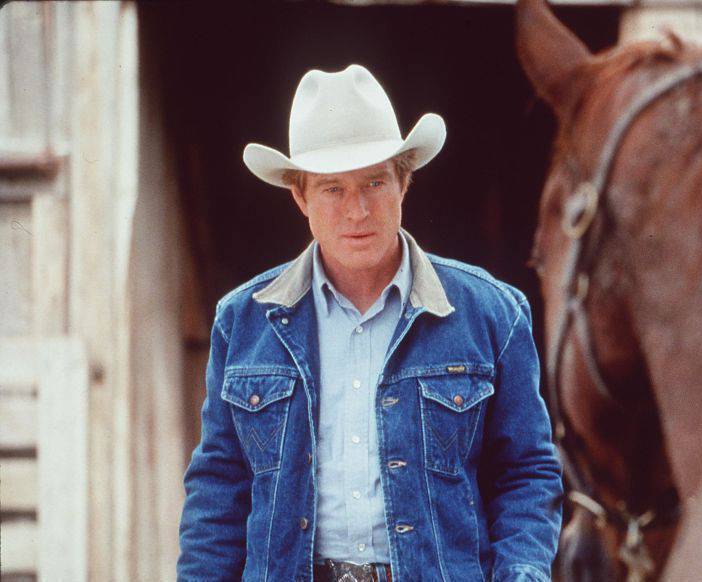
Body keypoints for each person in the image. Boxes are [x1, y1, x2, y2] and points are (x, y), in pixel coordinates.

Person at [177, 65, 563, 582]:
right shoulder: (244, 322)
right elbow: (218, 489)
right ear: (300, 197)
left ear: (404, 182)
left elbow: (527, 473)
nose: (356, 211)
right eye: (332, 189)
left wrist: (522, 573)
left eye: (374, 182)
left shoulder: (492, 313)